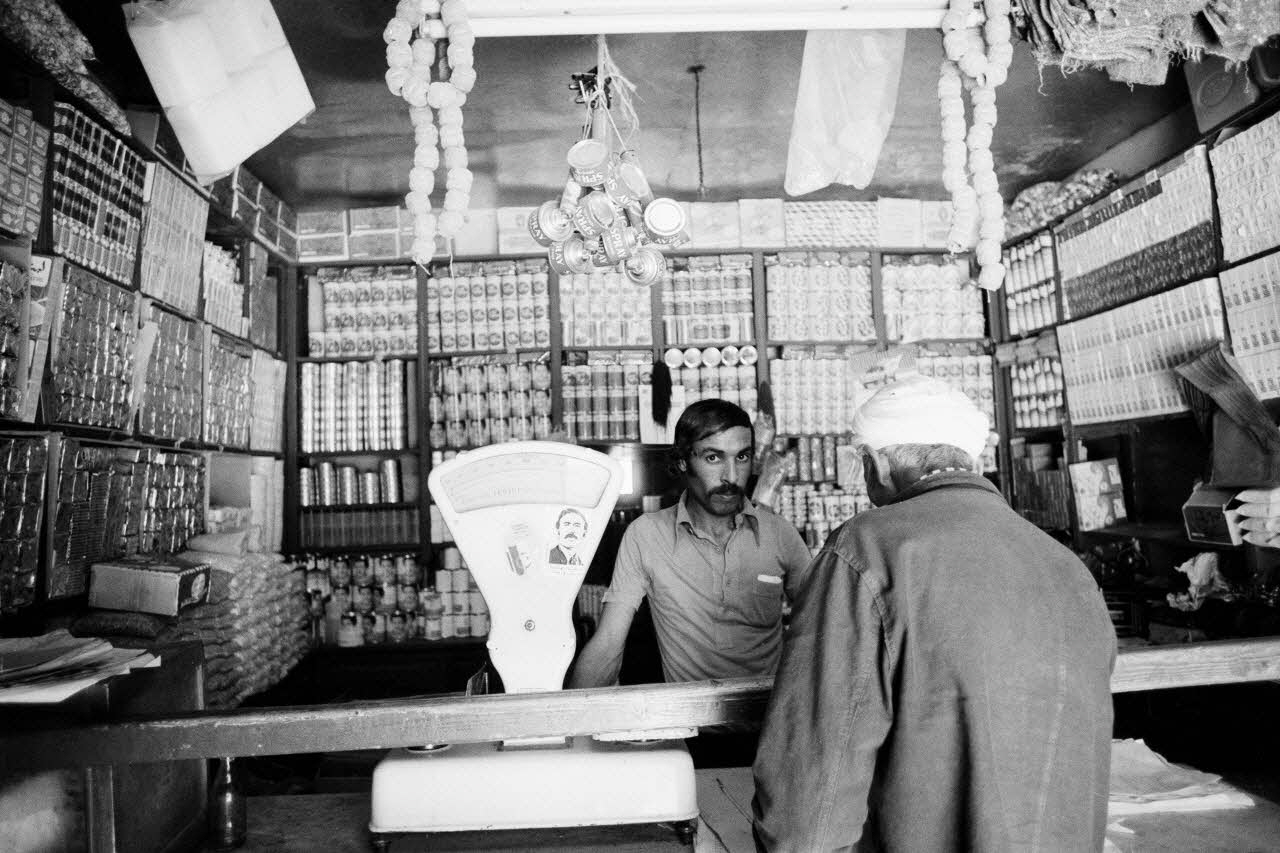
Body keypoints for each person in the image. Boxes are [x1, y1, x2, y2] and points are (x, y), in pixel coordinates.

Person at [752, 375, 1116, 853]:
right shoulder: (1067, 566)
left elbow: (812, 788)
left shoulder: (867, 549)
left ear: (874, 464)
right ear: (971, 458)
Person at [569, 398, 811, 690]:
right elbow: (608, 644)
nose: (732, 477)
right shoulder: (646, 536)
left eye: (742, 457)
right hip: (689, 729)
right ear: (683, 461)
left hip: (774, 726)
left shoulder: (780, 534)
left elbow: (825, 625)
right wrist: (573, 726)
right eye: (713, 458)